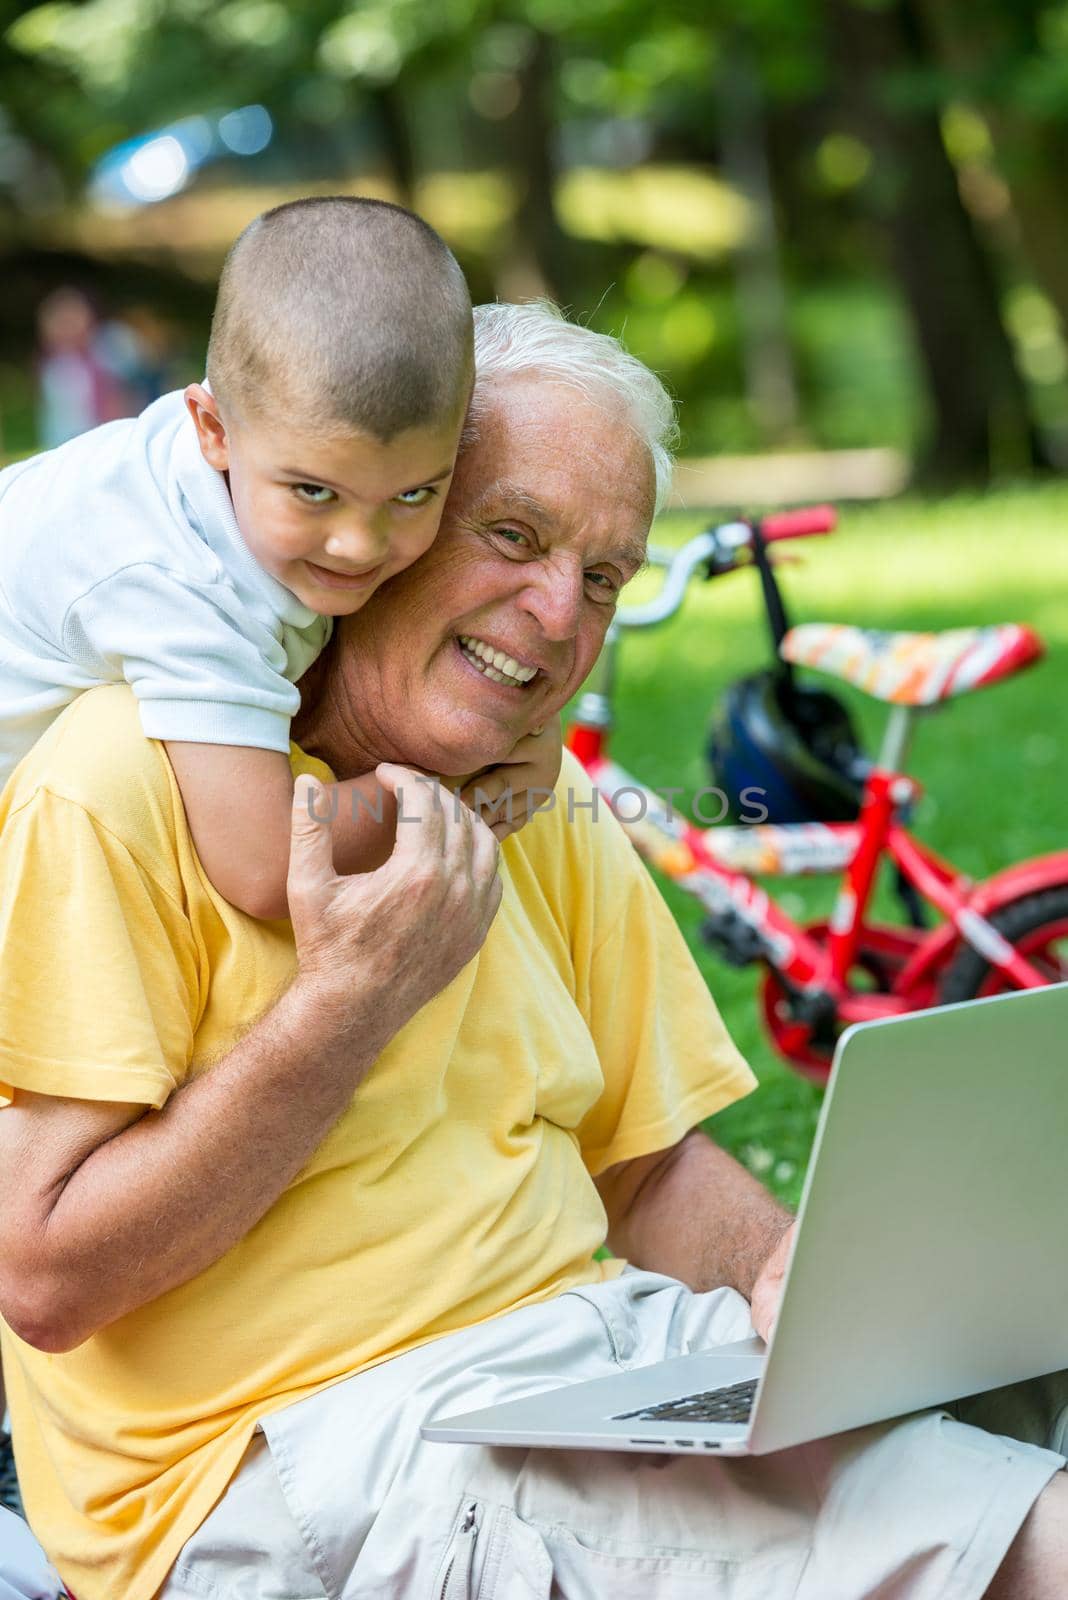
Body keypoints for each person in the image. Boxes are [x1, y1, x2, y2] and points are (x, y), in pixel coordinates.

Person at [0, 304, 1064, 1600]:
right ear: (391, 520)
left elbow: (649, 1165)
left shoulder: (523, 794)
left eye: (606, 575)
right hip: (303, 1463)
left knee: (1017, 1402)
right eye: (513, 535)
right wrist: (352, 999)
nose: (559, 613)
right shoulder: (122, 779)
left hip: (591, 1374)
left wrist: (788, 1279)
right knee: (1031, 1549)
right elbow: (44, 1275)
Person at [0, 197, 557, 924]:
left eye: (415, 492)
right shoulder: (175, 582)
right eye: (314, 491)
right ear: (213, 429)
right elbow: (266, 866)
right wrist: (458, 783)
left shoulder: (250, 447)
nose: (360, 543)